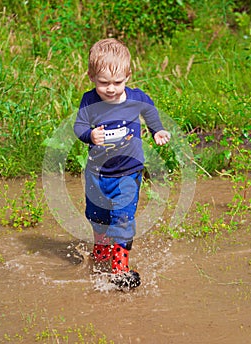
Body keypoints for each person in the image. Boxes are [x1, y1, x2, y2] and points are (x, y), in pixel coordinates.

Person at [74, 38, 170, 289]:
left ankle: (119, 267)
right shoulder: (89, 100)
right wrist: (89, 135)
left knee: (123, 217)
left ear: (128, 75)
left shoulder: (137, 98)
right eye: (103, 82)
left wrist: (157, 129)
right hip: (97, 173)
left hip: (128, 172)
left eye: (118, 82)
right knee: (98, 216)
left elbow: (150, 111)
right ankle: (101, 252)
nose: (111, 89)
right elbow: (80, 126)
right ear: (91, 76)